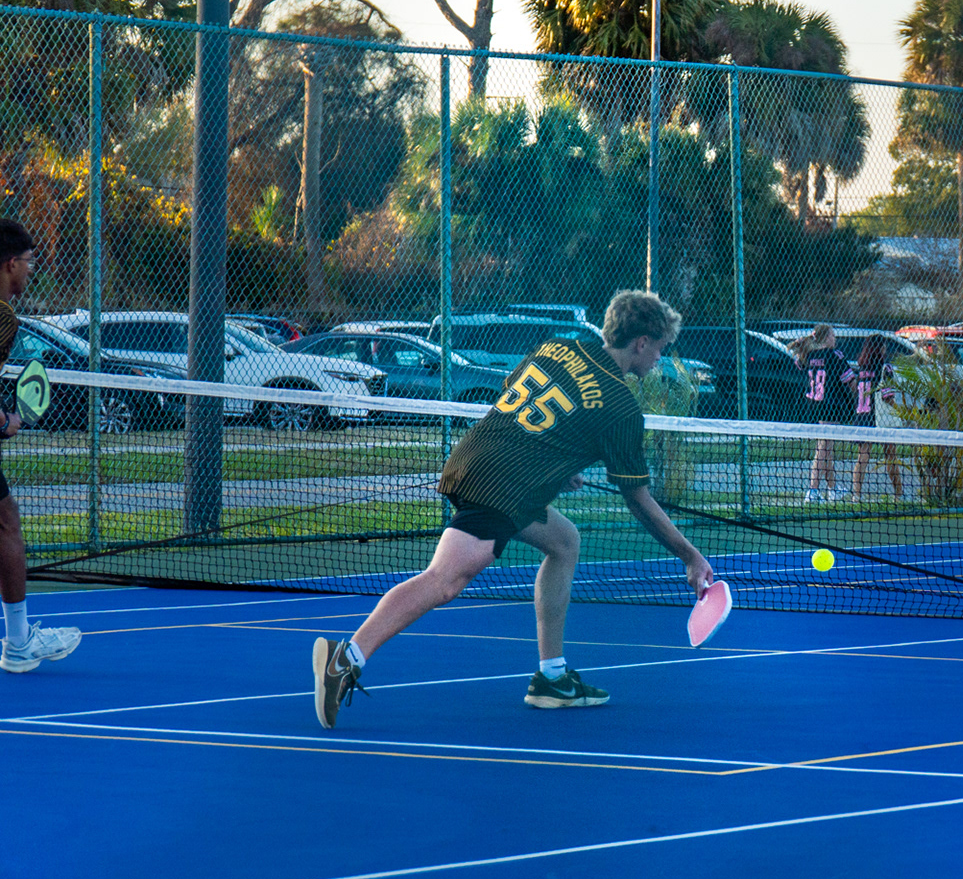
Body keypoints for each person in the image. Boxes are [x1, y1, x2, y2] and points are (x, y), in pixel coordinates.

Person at [313, 290, 713, 728]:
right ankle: (346, 658)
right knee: (445, 580)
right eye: (658, 347)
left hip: (473, 457)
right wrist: (690, 556)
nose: (659, 357)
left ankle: (552, 679)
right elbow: (637, 498)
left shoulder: (556, 347)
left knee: (563, 541)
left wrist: (556, 470)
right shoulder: (620, 405)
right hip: (500, 485)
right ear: (640, 342)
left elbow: (517, 405)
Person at [0, 221, 81, 675]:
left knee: (5, 519)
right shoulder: (2, 317)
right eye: (29, 262)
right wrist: (7, 422)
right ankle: (18, 643)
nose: (32, 270)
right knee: (7, 522)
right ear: (11, 263)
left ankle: (19, 640)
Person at [791, 324, 853, 504]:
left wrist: (800, 345)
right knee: (823, 447)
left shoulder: (810, 355)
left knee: (828, 448)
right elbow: (850, 381)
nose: (835, 339)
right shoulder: (835, 356)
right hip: (831, 405)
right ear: (826, 338)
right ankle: (813, 489)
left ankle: (832, 488)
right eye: (832, 335)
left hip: (816, 404)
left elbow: (798, 362)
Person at [847, 334, 903, 499]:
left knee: (862, 457)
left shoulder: (862, 369)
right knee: (891, 456)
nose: (886, 349)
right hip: (880, 418)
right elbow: (888, 396)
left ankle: (856, 495)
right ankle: (899, 494)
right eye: (884, 346)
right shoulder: (885, 368)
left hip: (862, 416)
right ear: (880, 348)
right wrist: (903, 412)